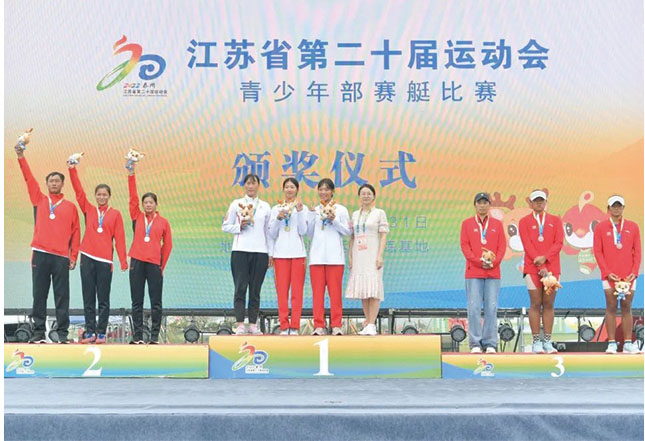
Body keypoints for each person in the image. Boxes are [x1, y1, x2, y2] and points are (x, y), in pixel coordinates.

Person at [15, 143, 80, 344]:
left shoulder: (70, 207)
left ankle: (62, 333)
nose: (53, 183)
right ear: (46, 184)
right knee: (39, 295)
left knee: (62, 296)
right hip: (40, 254)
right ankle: (38, 333)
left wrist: (73, 256)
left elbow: (76, 232)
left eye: (57, 180)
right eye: (50, 181)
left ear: (62, 184)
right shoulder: (39, 199)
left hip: (61, 256)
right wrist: (20, 156)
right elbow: (28, 178)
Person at [68, 159, 127, 344]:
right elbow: (79, 192)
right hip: (87, 257)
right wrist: (72, 169)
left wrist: (123, 260)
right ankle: (90, 332)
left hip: (105, 261)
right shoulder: (89, 209)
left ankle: (101, 333)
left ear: (109, 196)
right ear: (95, 196)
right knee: (88, 297)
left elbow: (120, 238)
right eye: (99, 194)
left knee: (103, 299)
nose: (101, 197)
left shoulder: (115, 214)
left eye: (104, 194)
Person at [127, 160, 172, 344]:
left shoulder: (163, 222)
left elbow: (168, 245)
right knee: (137, 302)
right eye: (145, 202)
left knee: (156, 302)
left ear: (156, 204)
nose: (147, 205)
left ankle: (154, 337)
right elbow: (132, 197)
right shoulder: (137, 216)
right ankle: (137, 336)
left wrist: (161, 266)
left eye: (150, 202)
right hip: (137, 262)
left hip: (154, 264)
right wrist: (131, 174)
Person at [222, 174, 273, 335]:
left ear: (258, 185)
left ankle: (252, 324)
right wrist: (239, 226)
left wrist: (270, 253)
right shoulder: (236, 204)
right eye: (248, 183)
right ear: (244, 186)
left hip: (260, 252)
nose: (250, 186)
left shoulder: (265, 206)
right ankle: (240, 324)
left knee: (255, 290)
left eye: (253, 183)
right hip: (240, 251)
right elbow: (225, 226)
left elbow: (268, 232)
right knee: (240, 288)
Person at [593, 195, 642, 354]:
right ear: (608, 209)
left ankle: (627, 343)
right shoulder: (600, 227)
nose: (616, 208)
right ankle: (612, 343)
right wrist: (606, 272)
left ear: (623, 208)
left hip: (628, 276)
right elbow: (598, 251)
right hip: (609, 275)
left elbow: (638, 252)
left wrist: (634, 272)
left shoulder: (633, 226)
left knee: (627, 307)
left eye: (619, 206)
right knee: (611, 307)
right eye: (613, 206)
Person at [459, 192, 507, 353]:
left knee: (491, 307)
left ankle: (490, 343)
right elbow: (465, 246)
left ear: (489, 205)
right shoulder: (467, 224)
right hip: (474, 272)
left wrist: (494, 262)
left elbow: (502, 247)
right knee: (473, 307)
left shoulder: (497, 224)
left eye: (485, 202)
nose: (482, 205)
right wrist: (479, 262)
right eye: (479, 202)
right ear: (475, 205)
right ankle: (475, 343)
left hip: (493, 273)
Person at [519, 189, 564, 354]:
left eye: (542, 200)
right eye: (536, 200)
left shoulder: (555, 220)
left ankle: (547, 341)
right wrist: (539, 263)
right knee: (535, 303)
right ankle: (536, 341)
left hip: (552, 267)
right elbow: (527, 244)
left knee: (549, 303)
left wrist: (545, 258)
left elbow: (559, 243)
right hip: (532, 268)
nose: (539, 203)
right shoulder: (524, 222)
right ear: (530, 203)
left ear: (546, 202)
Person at [307, 178, 351, 335]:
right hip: (317, 258)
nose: (323, 192)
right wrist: (311, 216)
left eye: (326, 189)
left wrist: (334, 221)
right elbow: (309, 234)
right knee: (318, 294)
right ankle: (319, 325)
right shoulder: (315, 210)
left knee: (335, 294)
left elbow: (348, 231)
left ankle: (336, 325)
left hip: (335, 258)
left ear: (332, 191)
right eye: (321, 189)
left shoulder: (341, 210)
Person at [345, 184, 389, 336]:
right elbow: (352, 236)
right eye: (363, 193)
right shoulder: (355, 214)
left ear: (374, 196)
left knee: (373, 288)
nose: (366, 196)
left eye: (369, 193)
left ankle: (371, 324)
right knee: (363, 289)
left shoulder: (379, 213)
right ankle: (367, 322)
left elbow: (383, 235)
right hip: (359, 254)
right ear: (359, 196)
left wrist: (380, 255)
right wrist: (350, 255)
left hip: (372, 253)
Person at [268, 178, 308, 335]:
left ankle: (295, 326)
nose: (289, 189)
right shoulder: (276, 208)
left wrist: (299, 212)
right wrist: (278, 218)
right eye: (287, 187)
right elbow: (271, 233)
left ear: (297, 190)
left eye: (292, 187)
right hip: (280, 255)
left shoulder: (302, 208)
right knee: (282, 292)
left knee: (297, 292)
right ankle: (284, 326)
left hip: (298, 254)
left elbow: (303, 231)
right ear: (283, 189)